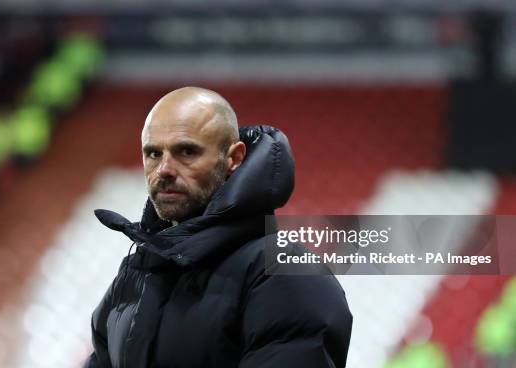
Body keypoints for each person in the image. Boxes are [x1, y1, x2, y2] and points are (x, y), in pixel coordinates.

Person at [85, 87, 352, 368]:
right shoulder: (137, 272)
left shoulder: (285, 274)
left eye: (186, 151)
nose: (164, 169)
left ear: (234, 159)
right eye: (153, 153)